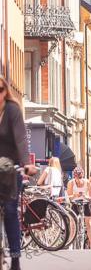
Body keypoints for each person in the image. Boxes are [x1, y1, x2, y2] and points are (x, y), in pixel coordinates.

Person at [0, 75, 37, 270]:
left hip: (10, 170)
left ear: (6, 91)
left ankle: (15, 257)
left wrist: (26, 164)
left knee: (10, 211)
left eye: (0, 90)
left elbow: (21, 139)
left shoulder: (12, 110)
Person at [67, 166, 91, 249]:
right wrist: (75, 195)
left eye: (80, 177)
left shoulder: (87, 182)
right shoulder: (71, 183)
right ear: (74, 177)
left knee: (89, 224)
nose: (79, 180)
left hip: (86, 203)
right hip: (75, 203)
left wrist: (85, 196)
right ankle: (71, 244)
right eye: (76, 178)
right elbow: (69, 197)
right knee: (72, 224)